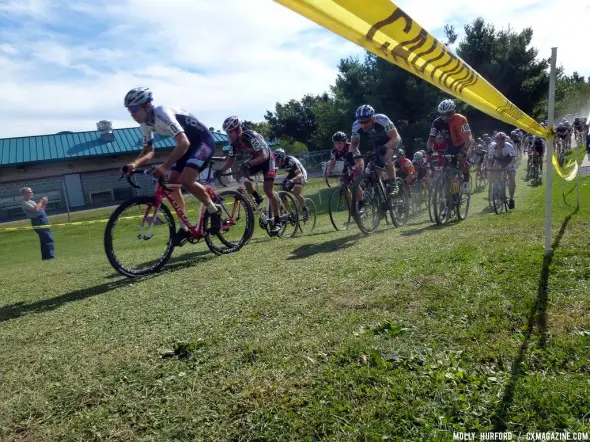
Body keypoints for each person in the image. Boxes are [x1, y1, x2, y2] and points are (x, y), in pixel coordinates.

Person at [122, 87, 221, 246]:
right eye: (129, 110)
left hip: (203, 141)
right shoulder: (145, 125)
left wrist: (165, 167)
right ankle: (185, 228)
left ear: (147, 106)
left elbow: (183, 142)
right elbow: (149, 151)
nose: (132, 114)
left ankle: (214, 210)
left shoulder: (162, 113)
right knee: (172, 184)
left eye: (134, 109)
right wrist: (133, 164)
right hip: (188, 146)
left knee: (186, 180)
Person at [218, 115, 282, 235]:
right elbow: (230, 160)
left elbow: (263, 155)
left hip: (267, 158)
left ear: (237, 130)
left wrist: (249, 163)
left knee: (268, 190)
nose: (228, 135)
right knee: (240, 175)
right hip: (257, 159)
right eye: (227, 133)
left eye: (230, 132)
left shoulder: (250, 136)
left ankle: (278, 221)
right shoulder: (233, 143)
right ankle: (257, 196)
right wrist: (221, 171)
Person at [350, 104, 402, 195]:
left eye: (366, 122)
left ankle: (393, 183)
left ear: (373, 119)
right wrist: (349, 155)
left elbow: (395, 137)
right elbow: (354, 144)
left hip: (392, 141)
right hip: (378, 144)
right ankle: (381, 194)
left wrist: (385, 147)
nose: (363, 125)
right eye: (361, 122)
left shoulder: (383, 120)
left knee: (385, 158)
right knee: (374, 170)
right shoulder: (356, 126)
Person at [427, 99, 474, 192]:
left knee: (463, 162)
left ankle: (466, 181)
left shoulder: (461, 119)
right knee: (447, 171)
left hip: (464, 144)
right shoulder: (436, 123)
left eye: (448, 114)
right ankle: (452, 193)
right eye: (442, 114)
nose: (445, 117)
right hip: (450, 147)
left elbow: (469, 138)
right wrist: (429, 151)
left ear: (454, 112)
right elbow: (430, 140)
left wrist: (464, 150)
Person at [273, 148, 310, 220]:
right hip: (292, 174)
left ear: (283, 158)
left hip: (300, 174)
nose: (276, 163)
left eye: (277, 161)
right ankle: (287, 212)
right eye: (275, 161)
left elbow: (299, 174)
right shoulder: (276, 163)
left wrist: (292, 180)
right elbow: (272, 174)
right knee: (282, 193)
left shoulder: (290, 161)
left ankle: (305, 209)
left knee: (296, 193)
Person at [20, 187, 55, 260]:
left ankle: (46, 258)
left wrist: (44, 203)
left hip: (42, 220)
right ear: (24, 194)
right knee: (48, 239)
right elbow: (35, 209)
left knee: (44, 240)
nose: (32, 193)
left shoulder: (31, 201)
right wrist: (41, 201)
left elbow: (41, 209)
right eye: (30, 192)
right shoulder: (25, 203)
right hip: (38, 221)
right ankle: (50, 258)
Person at [486, 132, 517, 209]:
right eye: (498, 140)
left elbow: (513, 158)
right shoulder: (492, 147)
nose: (500, 142)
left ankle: (511, 198)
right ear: (495, 140)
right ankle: (496, 186)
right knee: (492, 172)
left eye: (502, 140)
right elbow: (490, 160)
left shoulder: (509, 146)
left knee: (511, 177)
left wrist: (509, 166)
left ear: (505, 140)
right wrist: (488, 167)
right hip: (498, 160)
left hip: (508, 160)